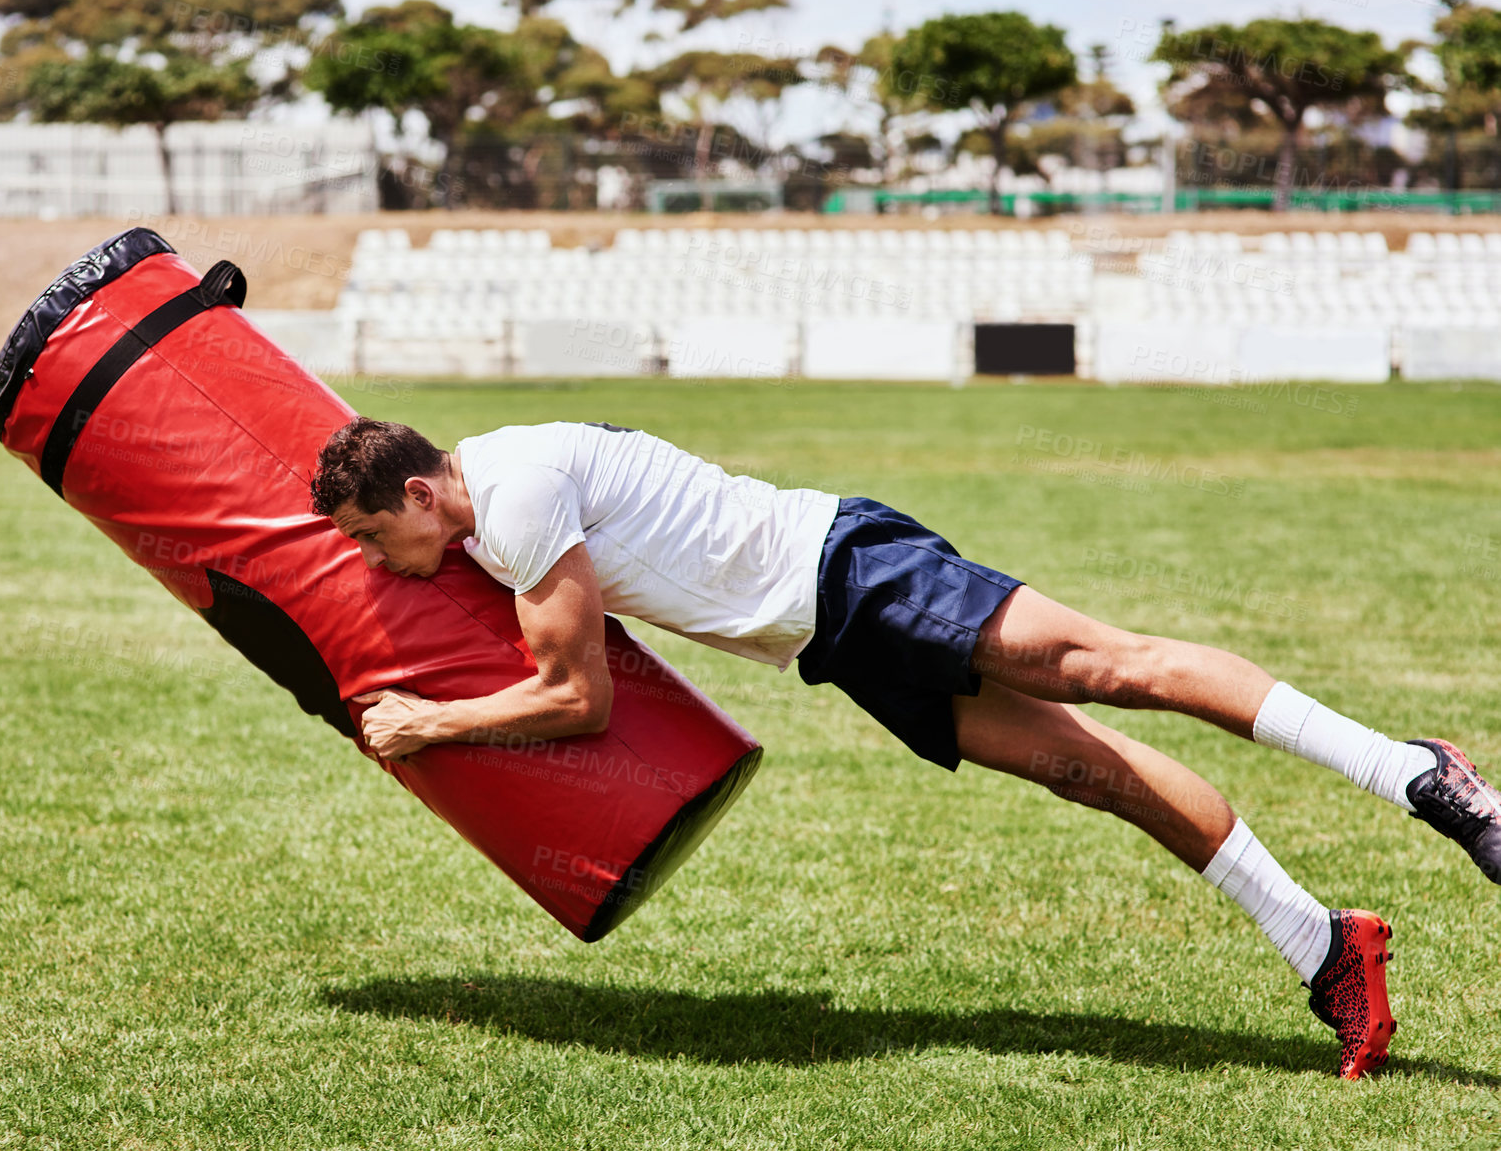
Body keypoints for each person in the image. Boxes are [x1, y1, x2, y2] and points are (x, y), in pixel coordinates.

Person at [309, 417, 1500, 1080]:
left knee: (1111, 667)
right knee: (1084, 770)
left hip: (848, 571)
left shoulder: (510, 501)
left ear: (423, 492)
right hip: (825, 636)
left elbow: (578, 700)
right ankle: (1324, 944)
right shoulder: (486, 491)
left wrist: (431, 723)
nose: (374, 563)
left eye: (372, 537)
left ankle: (1410, 771)